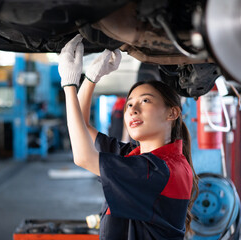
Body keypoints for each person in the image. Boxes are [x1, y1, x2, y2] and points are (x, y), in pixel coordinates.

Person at [58, 34, 198, 240]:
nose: (133, 110)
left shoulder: (159, 171)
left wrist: (70, 85)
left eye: (145, 101)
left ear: (172, 113)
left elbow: (83, 157)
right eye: (129, 104)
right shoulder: (139, 158)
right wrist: (90, 79)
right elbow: (84, 126)